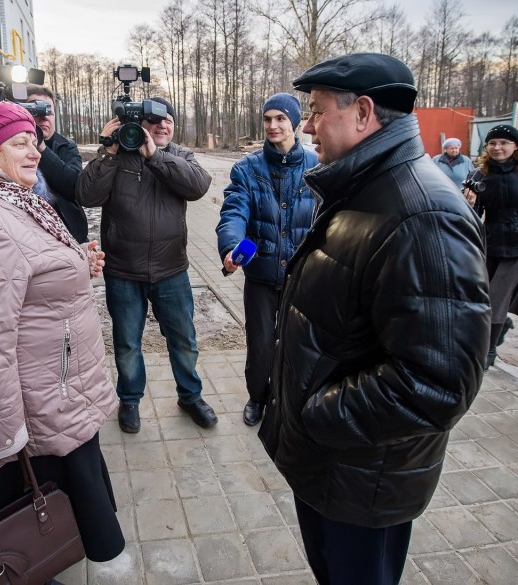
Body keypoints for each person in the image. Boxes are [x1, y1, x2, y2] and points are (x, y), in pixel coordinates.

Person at [259, 53, 490, 585]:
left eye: (316, 111)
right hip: (334, 468)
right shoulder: (362, 186)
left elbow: (437, 381)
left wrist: (317, 416)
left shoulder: (422, 214)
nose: (307, 125)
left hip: (363, 479)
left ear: (363, 112)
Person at [0, 101, 124, 580]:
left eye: (34, 140)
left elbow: (26, 269)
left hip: (58, 388)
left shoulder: (11, 200)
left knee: (64, 508)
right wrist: (3, 443)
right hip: (38, 402)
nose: (35, 150)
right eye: (20, 142)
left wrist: (77, 260)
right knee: (38, 515)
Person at [77, 97, 218, 434]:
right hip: (123, 272)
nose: (163, 126)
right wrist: (108, 152)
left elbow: (198, 186)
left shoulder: (180, 156)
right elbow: (86, 195)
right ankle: (129, 400)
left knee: (184, 340)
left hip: (172, 270)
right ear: (140, 125)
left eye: (168, 120)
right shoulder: (117, 158)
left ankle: (190, 396)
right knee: (127, 344)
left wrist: (155, 156)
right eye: (155, 122)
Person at [216, 93, 318, 427]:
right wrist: (231, 245)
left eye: (280, 119)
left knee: (298, 345)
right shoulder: (247, 168)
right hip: (261, 275)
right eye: (267, 119)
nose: (273, 126)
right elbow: (234, 210)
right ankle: (258, 397)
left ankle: (291, 402)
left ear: (295, 122)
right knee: (260, 346)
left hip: (303, 277)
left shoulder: (318, 166)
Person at [465, 124, 518, 369]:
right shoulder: (480, 174)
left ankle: (487, 350)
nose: (497, 147)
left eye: (503, 143)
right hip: (489, 243)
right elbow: (471, 214)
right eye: (492, 143)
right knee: (481, 296)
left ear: (515, 147)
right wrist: (468, 204)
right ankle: (497, 331)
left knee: (497, 297)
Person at [26, 85, 88, 243]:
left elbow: (73, 187)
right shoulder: (10, 148)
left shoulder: (66, 145)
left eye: (49, 111)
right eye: (36, 110)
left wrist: (42, 148)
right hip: (31, 237)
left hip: (70, 235)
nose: (44, 117)